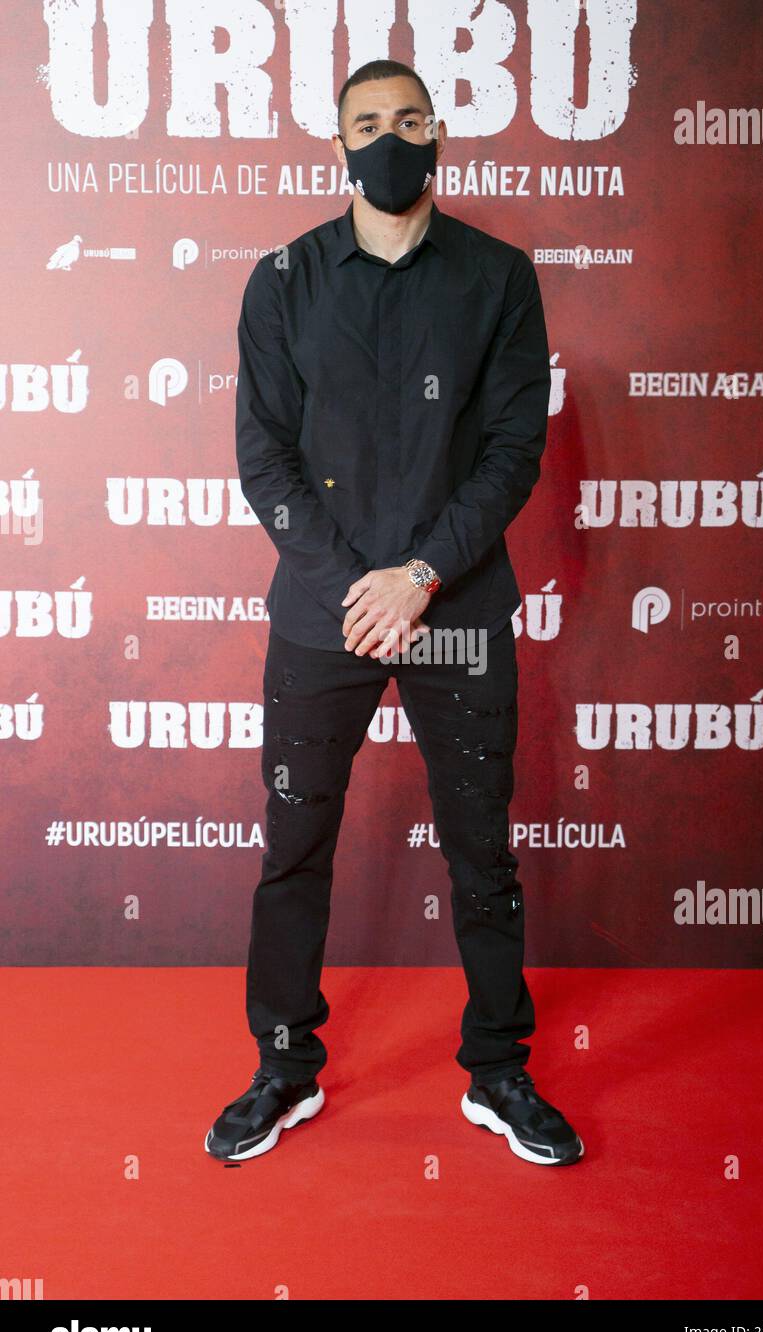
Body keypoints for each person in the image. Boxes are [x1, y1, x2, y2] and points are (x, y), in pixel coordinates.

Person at [204, 59, 584, 1168]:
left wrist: (417, 575)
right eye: (366, 124)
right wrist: (355, 586)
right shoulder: (280, 282)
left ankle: (497, 1069)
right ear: (336, 146)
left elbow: (514, 452)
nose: (389, 139)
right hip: (323, 612)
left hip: (454, 603)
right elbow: (262, 457)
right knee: (294, 846)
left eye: (407, 120)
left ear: (438, 133)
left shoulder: (498, 278)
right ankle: (283, 1067)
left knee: (482, 849)